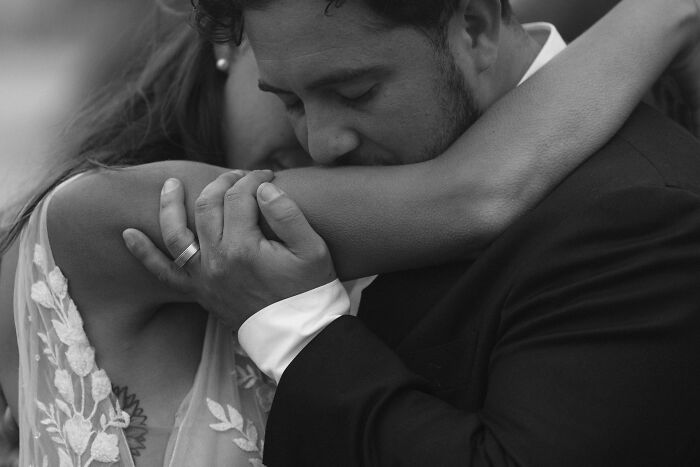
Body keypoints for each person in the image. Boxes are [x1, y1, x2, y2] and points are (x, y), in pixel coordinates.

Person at [1, 0, 698, 466]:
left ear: (478, 24)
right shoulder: (103, 219)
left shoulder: (633, 209)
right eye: (290, 102)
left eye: (355, 91)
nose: (322, 145)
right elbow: (469, 194)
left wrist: (296, 326)